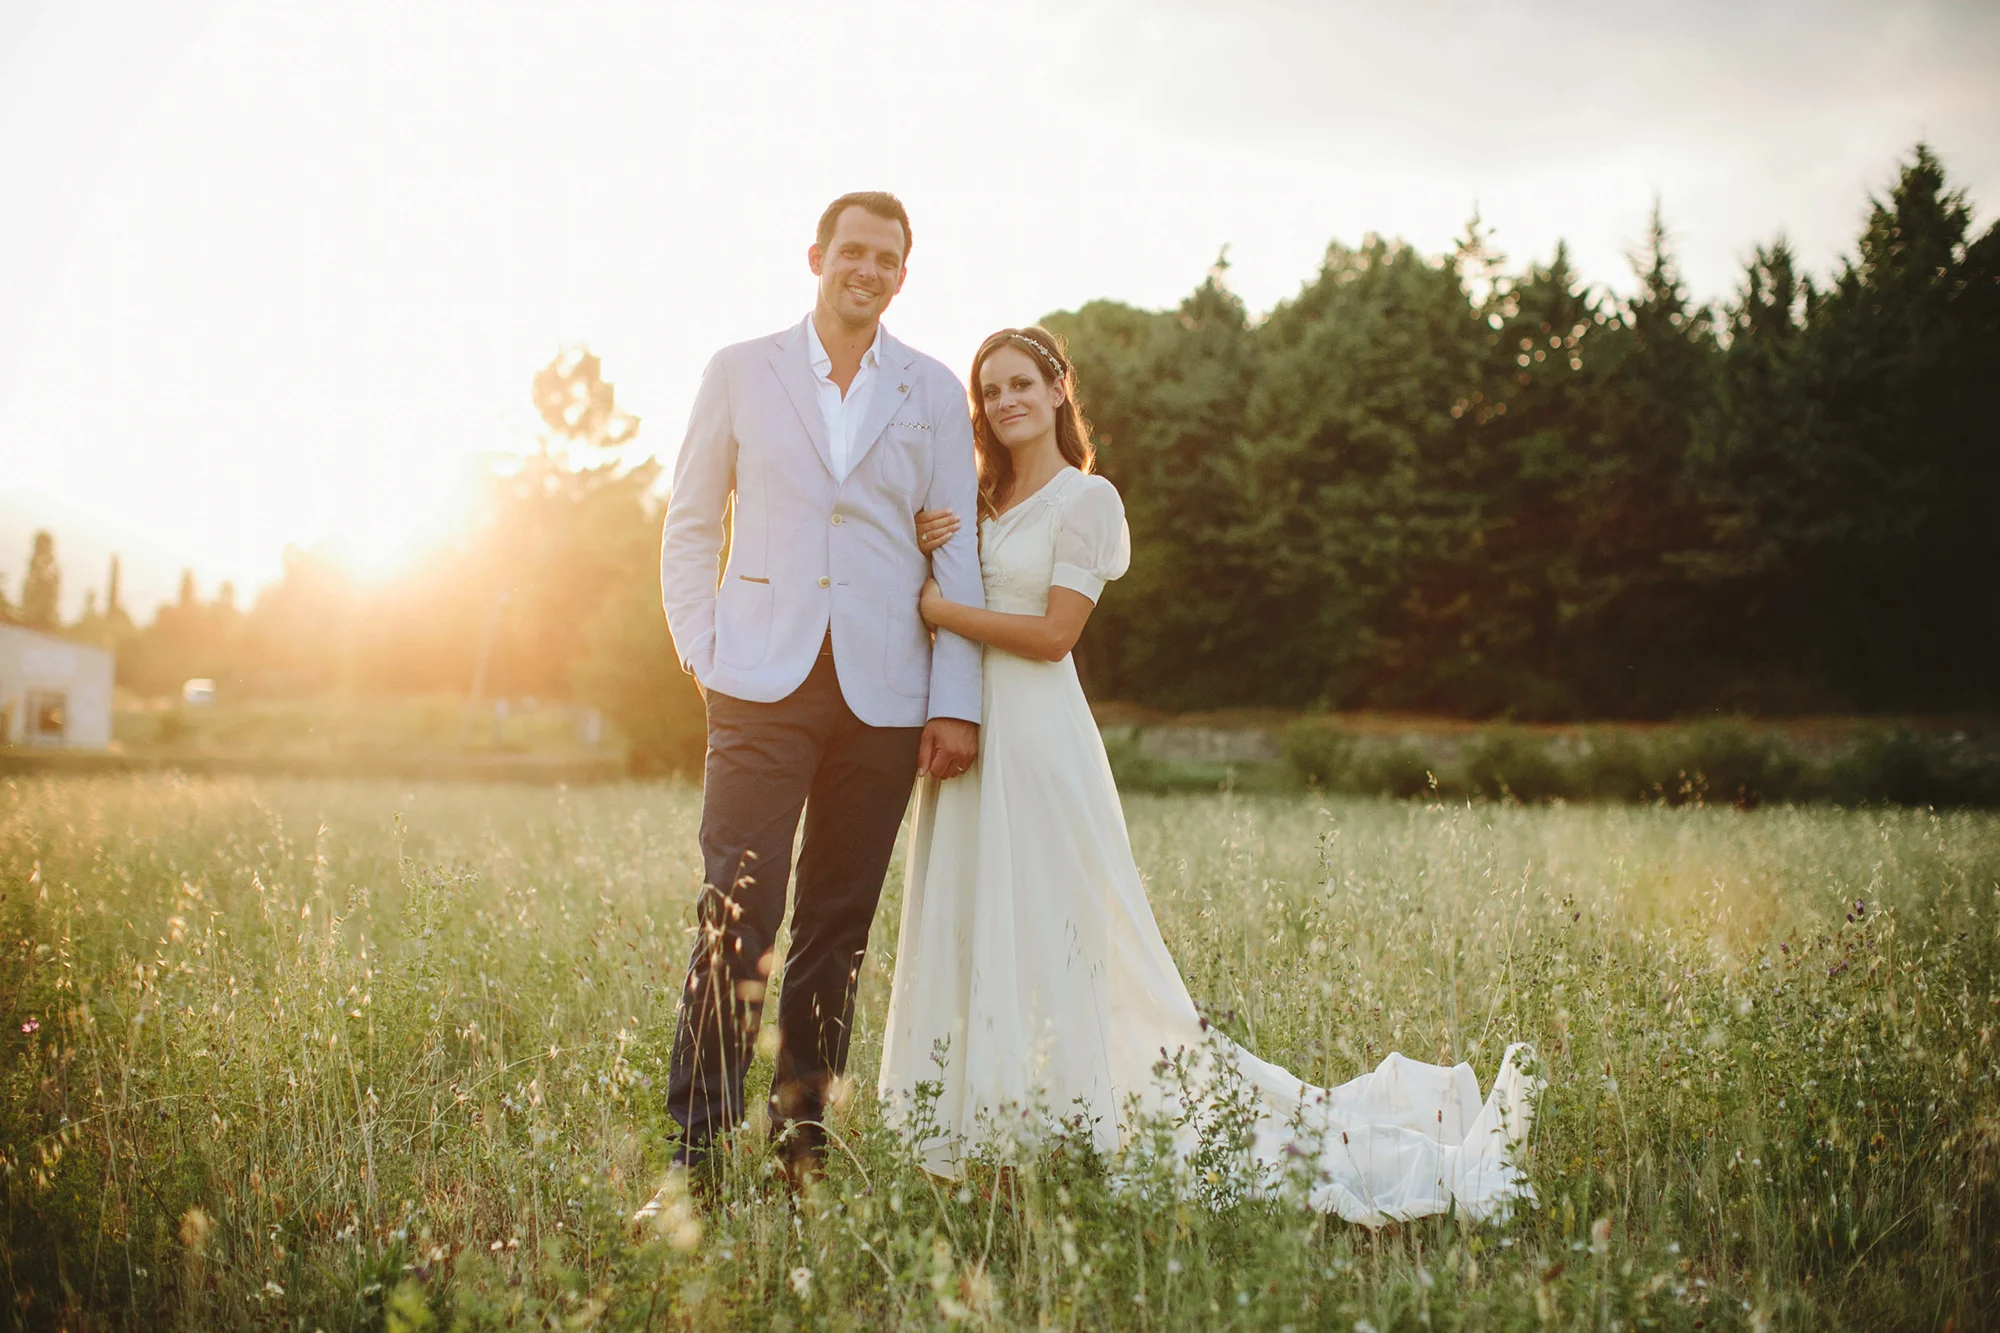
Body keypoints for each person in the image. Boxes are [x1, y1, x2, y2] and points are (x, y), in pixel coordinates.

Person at [877, 326, 1540, 1225]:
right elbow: (939, 563)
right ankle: (973, 1134)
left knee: (1050, 930)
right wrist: (930, 543)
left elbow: (1055, 634)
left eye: (1021, 383)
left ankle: (1053, 1132)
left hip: (1037, 736)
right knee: (974, 919)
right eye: (989, 390)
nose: (1004, 402)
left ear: (1059, 387)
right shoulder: (978, 495)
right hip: (968, 728)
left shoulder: (1088, 499)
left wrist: (942, 606)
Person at [651, 191, 982, 1194]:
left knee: (834, 931)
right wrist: (703, 650)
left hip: (884, 693)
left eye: (888, 257)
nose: (867, 268)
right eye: (853, 251)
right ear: (816, 256)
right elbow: (692, 520)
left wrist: (953, 698)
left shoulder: (929, 390)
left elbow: (953, 540)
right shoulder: (739, 370)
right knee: (735, 912)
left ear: (902, 275)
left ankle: (801, 1148)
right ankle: (697, 1150)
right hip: (758, 680)